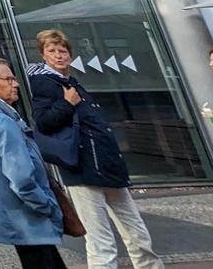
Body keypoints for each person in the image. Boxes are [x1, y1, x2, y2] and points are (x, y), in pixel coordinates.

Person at [28, 29, 164, 269]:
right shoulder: (45, 84)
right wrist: (66, 103)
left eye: (63, 51)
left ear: (70, 55)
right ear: (43, 55)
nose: (59, 55)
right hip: (82, 166)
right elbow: (43, 122)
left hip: (106, 163)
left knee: (135, 229)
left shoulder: (71, 82)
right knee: (101, 238)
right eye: (52, 51)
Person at [0, 57, 66, 269]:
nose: (16, 84)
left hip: (14, 214)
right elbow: (21, 178)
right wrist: (46, 205)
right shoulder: (2, 121)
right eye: (9, 79)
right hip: (29, 215)